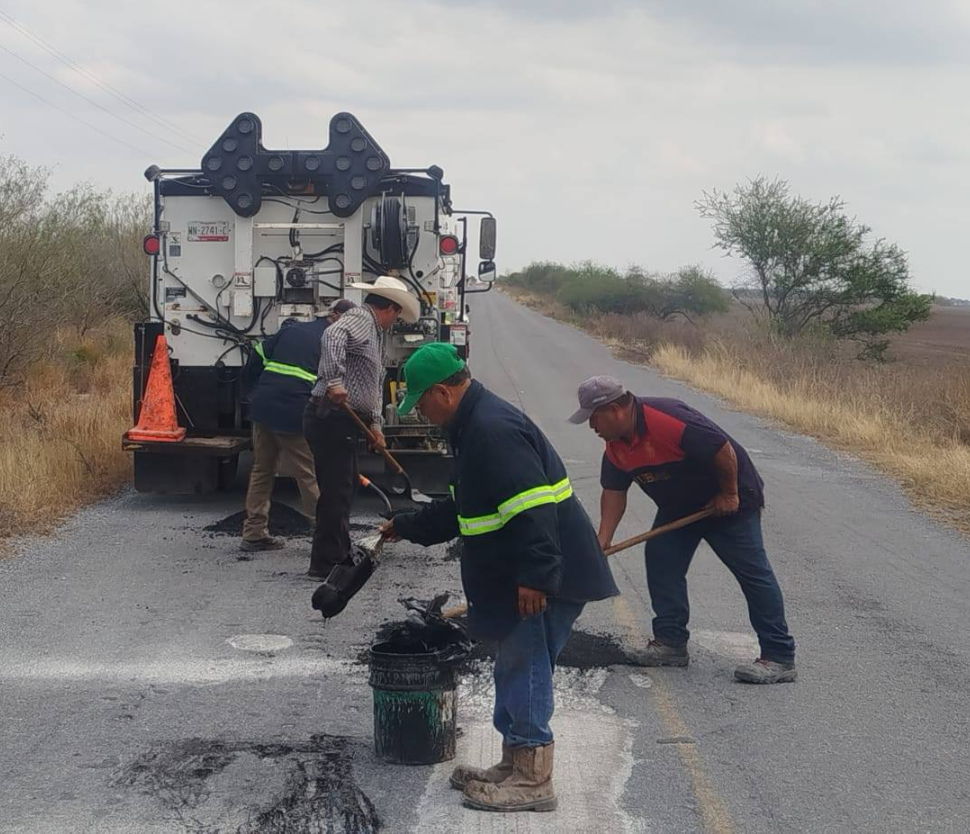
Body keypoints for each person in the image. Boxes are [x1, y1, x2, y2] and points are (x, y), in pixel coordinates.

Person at [379, 344, 618, 815]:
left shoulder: (491, 430)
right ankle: (514, 764)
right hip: (527, 571)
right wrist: (407, 525)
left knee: (525, 668)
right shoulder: (471, 427)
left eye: (421, 403)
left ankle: (533, 780)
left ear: (444, 392)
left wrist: (535, 578)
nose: (421, 414)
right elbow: (465, 506)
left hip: (543, 575)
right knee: (515, 666)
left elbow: (533, 510)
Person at [570, 374, 798, 684]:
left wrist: (729, 494)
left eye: (593, 418)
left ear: (614, 410)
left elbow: (722, 449)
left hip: (729, 502)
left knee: (752, 573)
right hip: (679, 506)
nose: (591, 426)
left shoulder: (667, 420)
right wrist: (603, 539)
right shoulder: (615, 448)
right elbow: (614, 492)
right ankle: (671, 643)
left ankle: (779, 656)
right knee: (662, 560)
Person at [305, 276, 420, 579]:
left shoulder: (375, 335)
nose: (395, 321)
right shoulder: (360, 317)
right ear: (390, 308)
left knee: (345, 487)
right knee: (336, 491)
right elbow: (332, 336)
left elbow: (373, 388)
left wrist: (377, 426)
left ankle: (339, 551)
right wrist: (334, 381)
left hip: (349, 419)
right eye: (397, 314)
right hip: (330, 416)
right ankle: (325, 562)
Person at [237, 300, 354, 552]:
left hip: (263, 407)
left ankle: (254, 533)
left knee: (262, 470)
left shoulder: (292, 330)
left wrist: (250, 391)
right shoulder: (332, 342)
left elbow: (257, 355)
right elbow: (333, 388)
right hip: (292, 412)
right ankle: (325, 533)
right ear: (336, 317)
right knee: (308, 473)